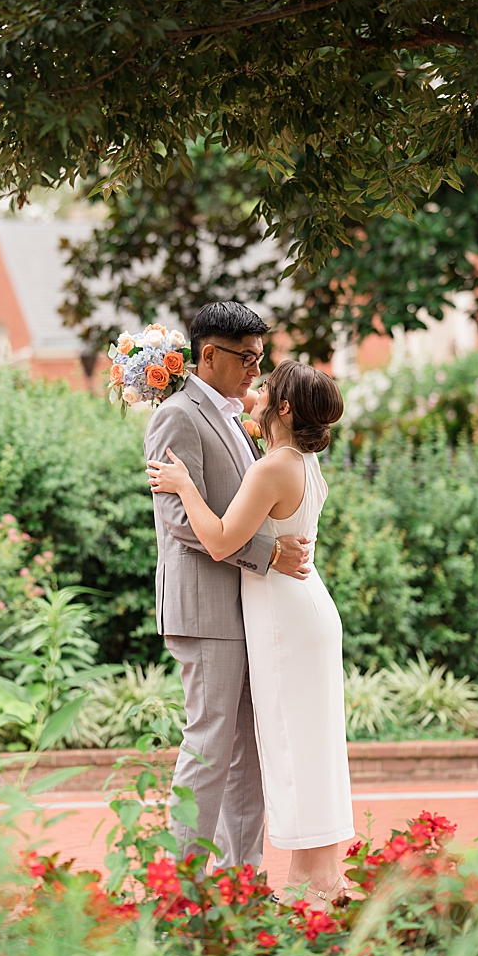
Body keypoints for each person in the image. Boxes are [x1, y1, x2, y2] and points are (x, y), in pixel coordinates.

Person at [148, 359, 353, 904]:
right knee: (309, 744)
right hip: (299, 606)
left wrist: (185, 484)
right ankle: (318, 878)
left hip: (286, 615)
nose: (255, 392)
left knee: (293, 744)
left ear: (284, 407)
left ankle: (317, 882)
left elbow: (216, 540)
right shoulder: (300, 462)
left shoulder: (271, 468)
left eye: (265, 388)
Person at [143, 302, 315, 875]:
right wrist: (268, 553)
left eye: (260, 358)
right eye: (244, 357)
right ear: (208, 354)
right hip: (204, 609)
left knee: (249, 752)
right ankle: (183, 881)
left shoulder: (233, 417)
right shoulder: (178, 415)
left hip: (245, 609)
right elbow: (177, 522)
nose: (253, 369)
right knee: (211, 745)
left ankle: (240, 877)